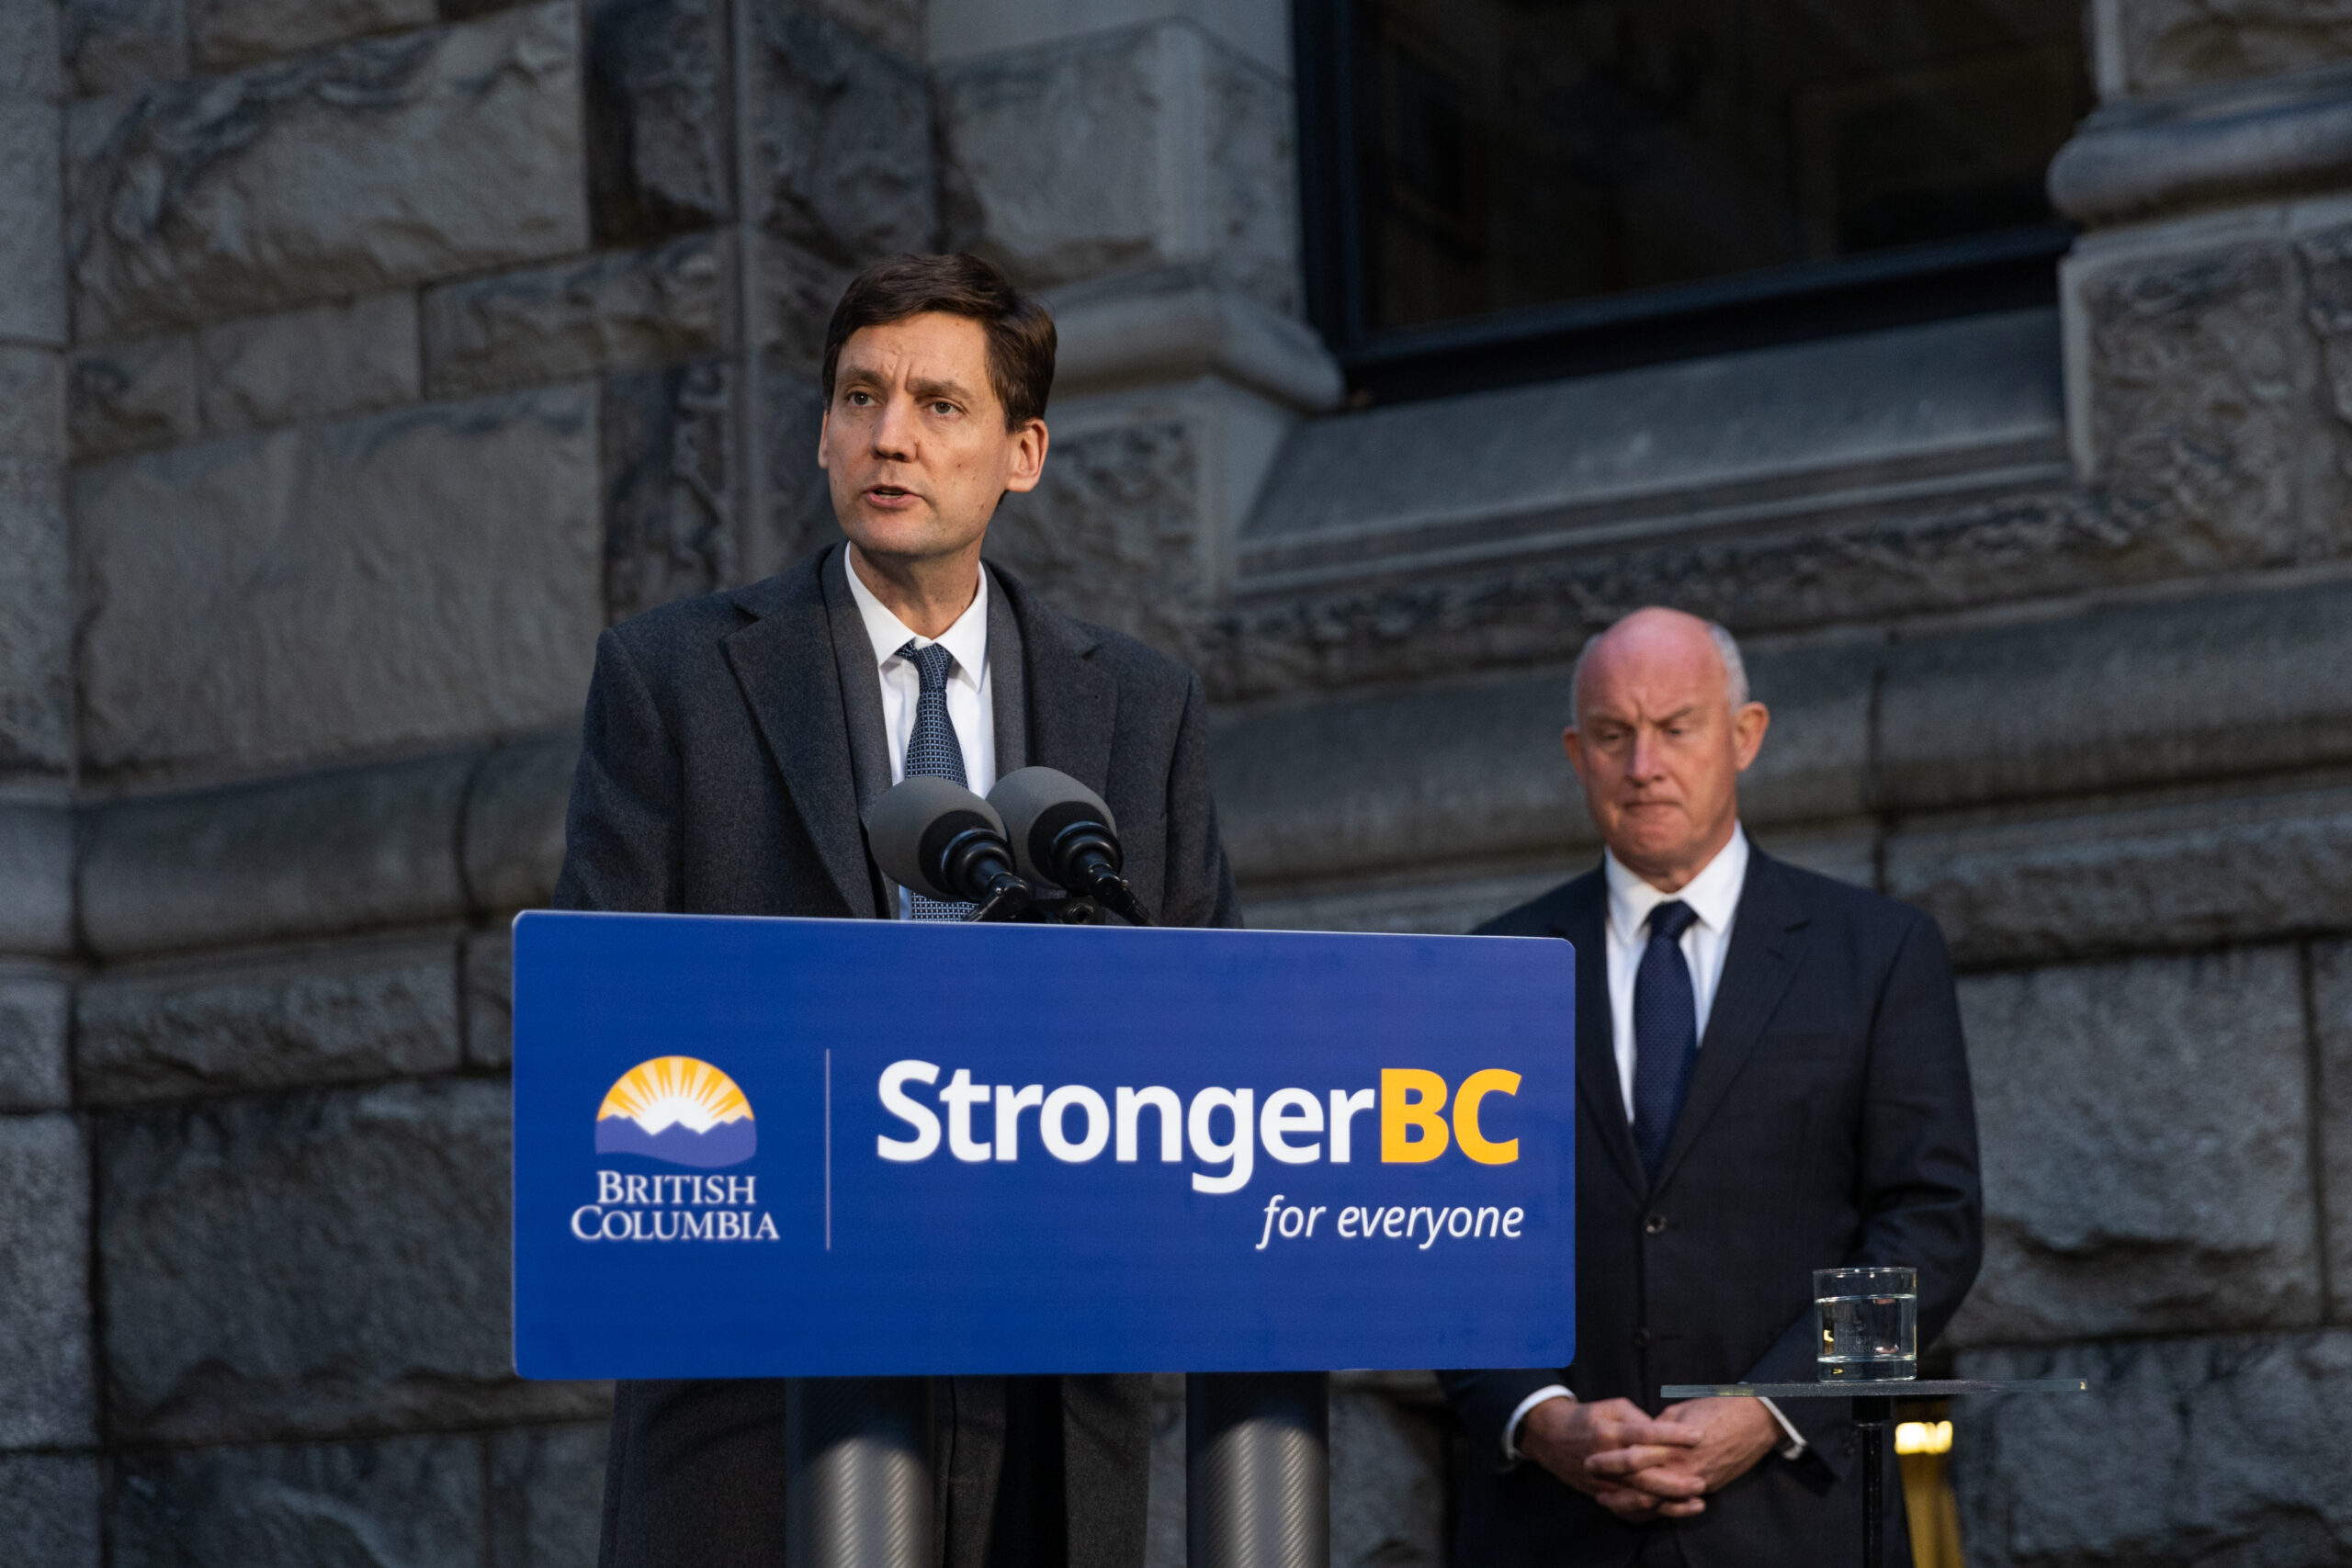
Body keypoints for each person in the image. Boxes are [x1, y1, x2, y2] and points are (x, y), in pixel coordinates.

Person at [553, 252, 1239, 1568]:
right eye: (860, 397)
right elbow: (607, 1016)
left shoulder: (1141, 705)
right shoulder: (674, 678)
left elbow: (1210, 1020)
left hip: (1046, 1385)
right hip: (764, 1384)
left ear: (1021, 450)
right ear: (820, 431)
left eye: (939, 404)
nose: (890, 436)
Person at [1442, 607, 1981, 1567]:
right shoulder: (1491, 969)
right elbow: (1446, 1238)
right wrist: (1537, 1416)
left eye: (1675, 727)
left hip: (1794, 1520)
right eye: (1612, 734)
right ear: (1577, 753)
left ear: (1745, 736)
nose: (1642, 763)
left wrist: (1775, 1403)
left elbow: (1928, 1229)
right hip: (1553, 1530)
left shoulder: (1877, 954)